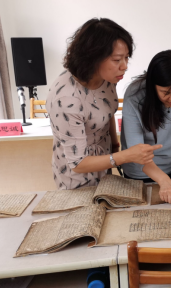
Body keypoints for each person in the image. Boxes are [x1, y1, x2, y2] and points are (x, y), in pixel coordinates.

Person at [47, 18, 160, 190]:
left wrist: (115, 145)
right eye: (117, 60)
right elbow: (78, 163)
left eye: (126, 58)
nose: (124, 66)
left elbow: (106, 113)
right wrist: (125, 156)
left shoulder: (106, 80)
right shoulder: (66, 98)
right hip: (77, 177)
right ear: (93, 57)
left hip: (104, 162)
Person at [121, 50, 171, 208]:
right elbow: (136, 152)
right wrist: (163, 180)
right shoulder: (134, 96)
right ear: (152, 85)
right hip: (140, 172)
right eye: (166, 92)